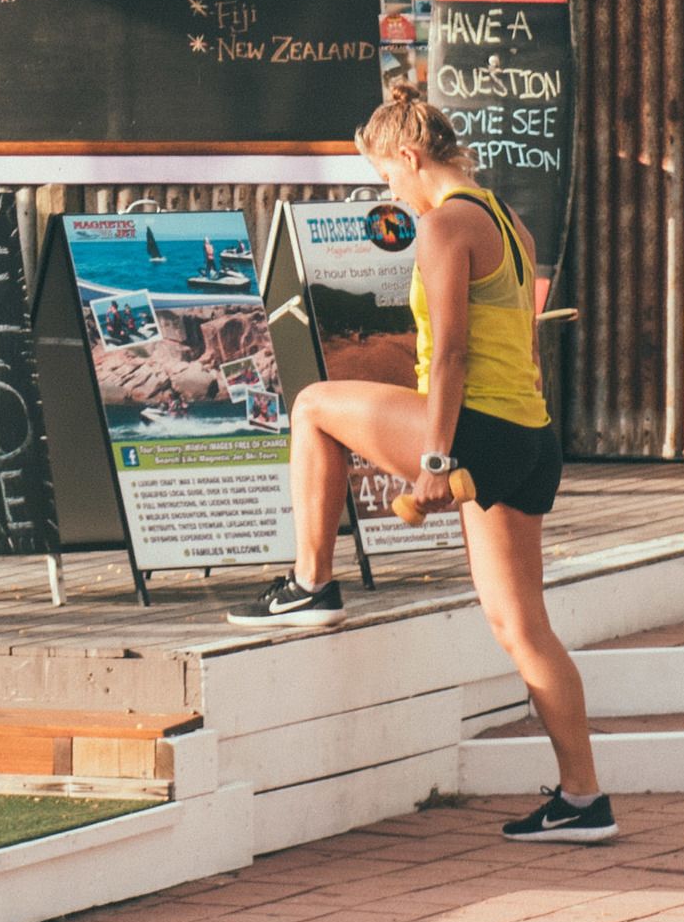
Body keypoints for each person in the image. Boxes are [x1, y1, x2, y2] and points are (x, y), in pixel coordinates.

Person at [228, 79, 613, 846]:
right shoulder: (513, 225)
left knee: (312, 407)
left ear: (409, 156)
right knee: (523, 627)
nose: (390, 195)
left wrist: (434, 458)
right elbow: (520, 349)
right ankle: (582, 799)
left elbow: (454, 355)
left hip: (475, 431)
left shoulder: (445, 229)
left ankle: (311, 584)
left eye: (386, 179)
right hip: (530, 439)